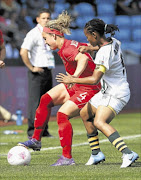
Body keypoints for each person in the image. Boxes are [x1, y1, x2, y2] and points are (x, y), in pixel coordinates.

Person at [18, 11, 101, 166]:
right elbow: (88, 49)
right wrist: (93, 48)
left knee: (62, 115)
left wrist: (73, 77)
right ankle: (36, 139)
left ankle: (67, 158)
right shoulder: (69, 45)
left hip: (88, 88)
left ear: (54, 36)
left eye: (46, 39)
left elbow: (82, 58)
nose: (45, 42)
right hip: (77, 85)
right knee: (45, 99)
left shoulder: (67, 49)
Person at [56, 18, 139, 168]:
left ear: (94, 35)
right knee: (84, 113)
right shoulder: (113, 41)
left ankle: (128, 153)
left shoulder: (103, 54)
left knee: (99, 122)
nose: (86, 39)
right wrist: (90, 48)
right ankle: (96, 154)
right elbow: (103, 48)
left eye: (87, 36)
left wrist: (73, 79)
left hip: (116, 93)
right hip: (109, 90)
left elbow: (95, 79)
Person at [20, 8, 55, 139]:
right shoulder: (33, 33)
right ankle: (32, 131)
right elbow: (23, 51)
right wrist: (31, 67)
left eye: (48, 18)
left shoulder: (49, 33)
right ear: (38, 19)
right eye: (44, 18)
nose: (46, 20)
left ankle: (44, 130)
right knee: (35, 102)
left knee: (46, 102)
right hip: (37, 71)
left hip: (47, 70)